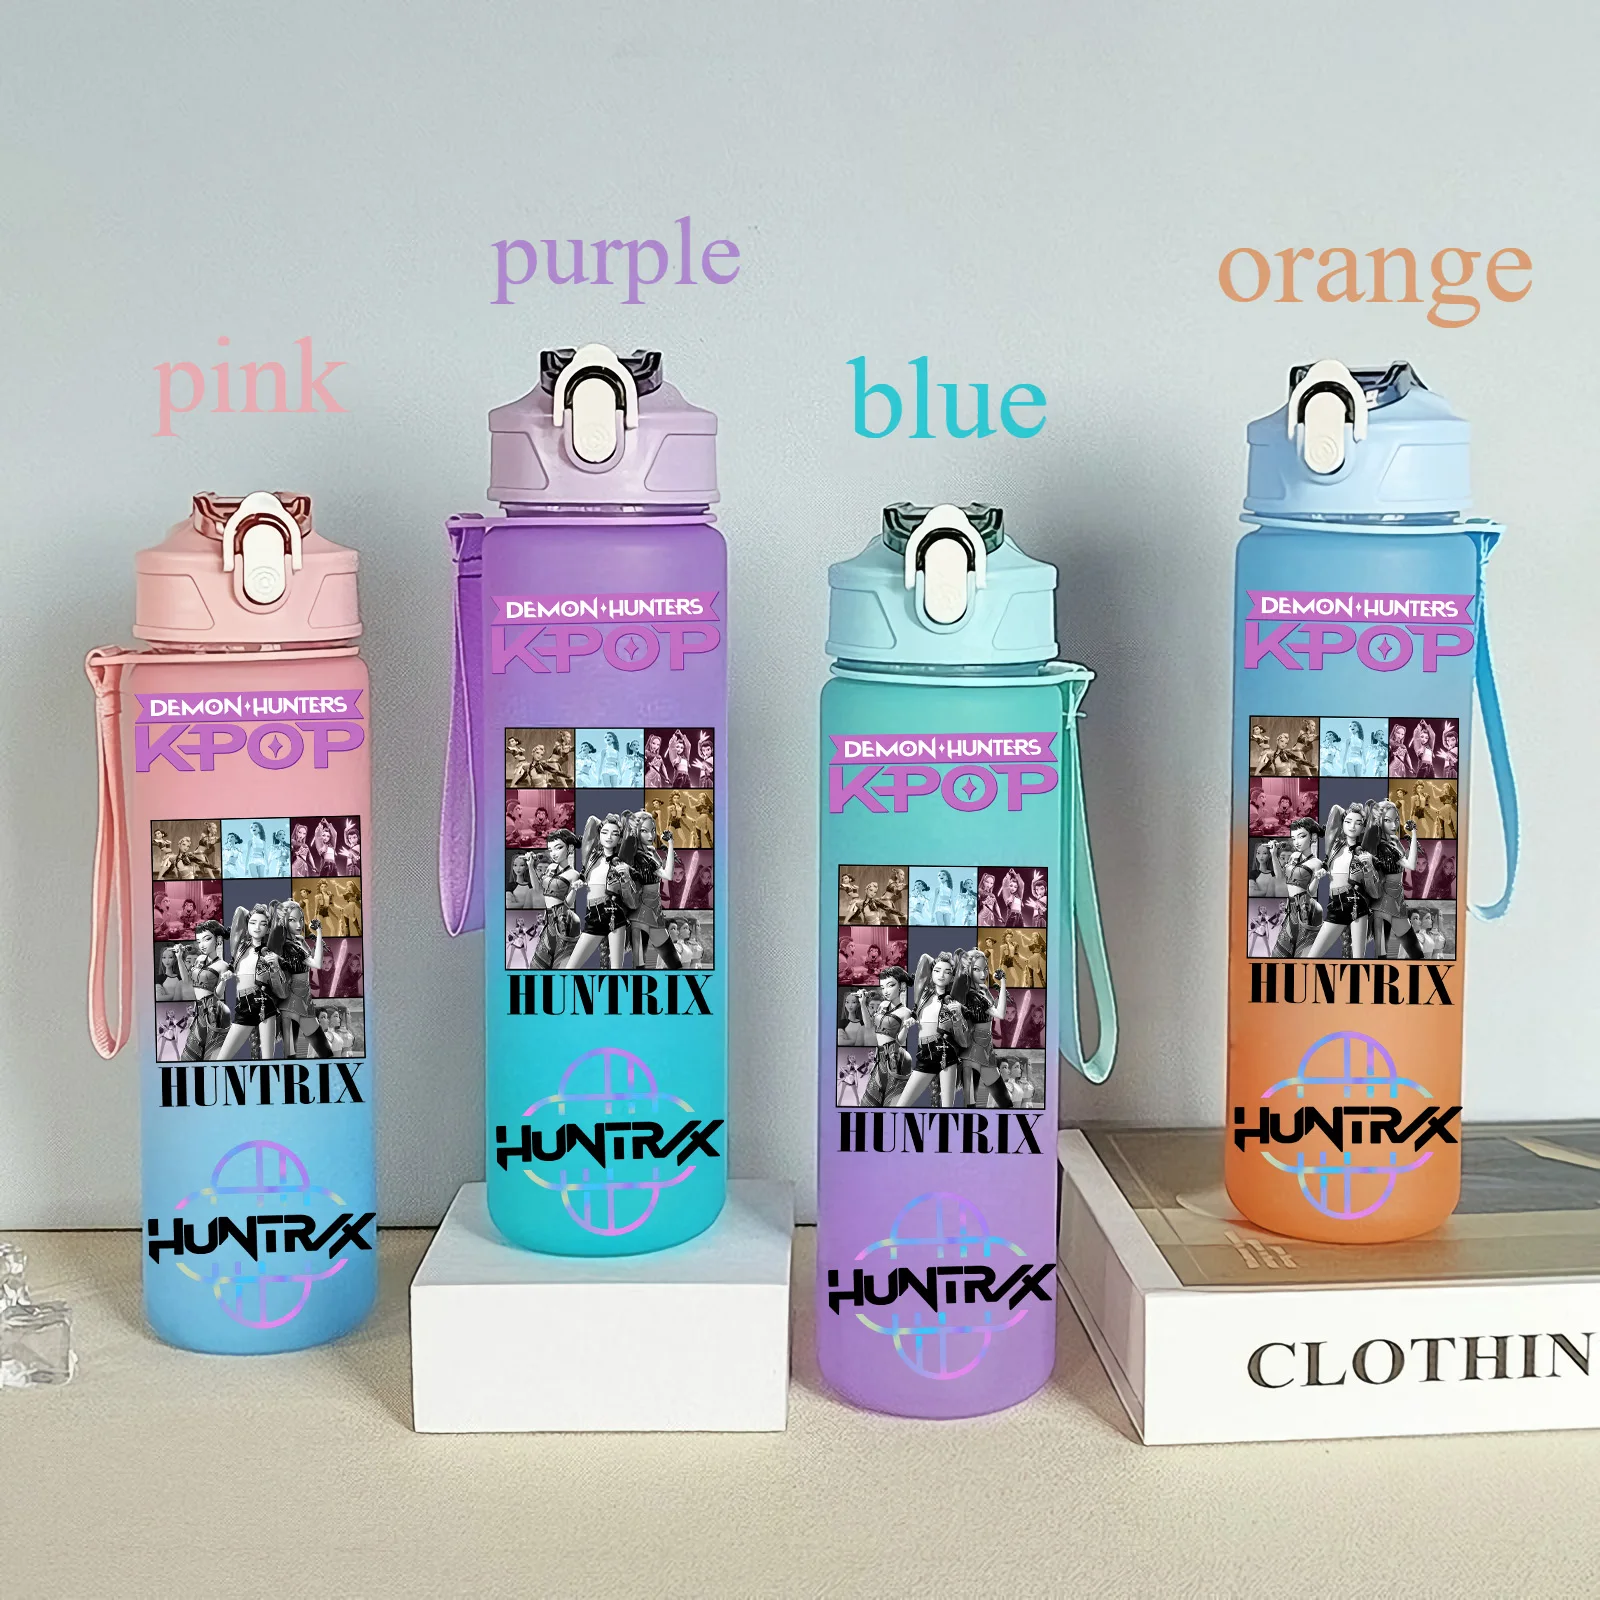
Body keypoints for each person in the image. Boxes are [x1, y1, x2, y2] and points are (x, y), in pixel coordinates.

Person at [896, 953, 970, 1109]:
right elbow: (924, 958)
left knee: (947, 1109)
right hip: (924, 1052)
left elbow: (964, 1040)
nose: (941, 975)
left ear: (952, 977)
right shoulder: (923, 995)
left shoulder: (954, 1001)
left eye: (947, 972)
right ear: (931, 973)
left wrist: (958, 1015)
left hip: (945, 1052)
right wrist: (911, 1020)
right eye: (937, 970)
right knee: (900, 1106)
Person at [566, 814, 640, 970]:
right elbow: (592, 820)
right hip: (593, 915)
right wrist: (580, 882)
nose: (609, 837)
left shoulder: (622, 862)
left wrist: (626, 876)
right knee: (570, 968)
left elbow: (633, 900)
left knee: (616, 969)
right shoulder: (591, 858)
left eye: (615, 834)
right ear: (599, 835)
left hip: (613, 913)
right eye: (605, 832)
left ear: (620, 839)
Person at [1306, 802, 1378, 960]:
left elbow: (1374, 889)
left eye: (1358, 823)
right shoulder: (1334, 846)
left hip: (1356, 903)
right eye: (1348, 821)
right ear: (1342, 824)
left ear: (1363, 828)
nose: (1352, 826)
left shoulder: (1364, 852)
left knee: (1357, 959)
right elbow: (1336, 810)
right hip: (1335, 903)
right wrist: (1323, 870)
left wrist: (1369, 866)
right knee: (1311, 958)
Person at [218, 903, 286, 1060]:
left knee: (267, 1059)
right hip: (243, 1005)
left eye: (263, 924)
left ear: (268, 929)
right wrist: (229, 973)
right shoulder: (240, 948)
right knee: (221, 1059)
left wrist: (275, 965)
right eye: (253, 922)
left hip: (263, 1003)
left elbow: (281, 984)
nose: (257, 927)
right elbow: (234, 965)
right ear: (247, 925)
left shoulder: (269, 952)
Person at [1363, 801, 1420, 957]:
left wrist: (1414, 834)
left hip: (1397, 901)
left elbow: (1411, 864)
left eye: (1396, 820)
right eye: (1388, 820)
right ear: (1379, 821)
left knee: (1416, 954)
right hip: (1382, 904)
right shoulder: (1379, 846)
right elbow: (1410, 865)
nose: (1394, 825)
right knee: (1382, 956)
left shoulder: (1394, 841)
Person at [626, 811, 681, 969]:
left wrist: (671, 844)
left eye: (652, 830)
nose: (650, 835)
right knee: (639, 967)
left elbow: (668, 875)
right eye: (644, 830)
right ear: (635, 830)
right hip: (640, 912)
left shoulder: (651, 851)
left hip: (655, 910)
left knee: (675, 965)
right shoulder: (632, 855)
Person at [959, 947, 1009, 1108]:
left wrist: (1002, 984)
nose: (983, 974)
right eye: (976, 969)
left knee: (1004, 1103)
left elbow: (999, 1012)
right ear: (968, 970)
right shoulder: (970, 995)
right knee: (971, 1105)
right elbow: (1000, 1014)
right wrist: (1003, 983)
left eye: (985, 969)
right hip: (972, 1053)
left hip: (985, 1050)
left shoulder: (982, 991)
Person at [275, 899, 325, 1057]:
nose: (298, 924)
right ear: (284, 921)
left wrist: (313, 938)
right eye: (292, 920)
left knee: (322, 1051)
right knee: (291, 1055)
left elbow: (313, 961)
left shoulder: (298, 942)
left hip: (303, 1001)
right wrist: (319, 934)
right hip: (291, 1004)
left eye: (301, 919)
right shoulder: (287, 946)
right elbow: (317, 964)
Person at [1269, 819, 1326, 957]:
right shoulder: (1293, 856)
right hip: (1291, 908)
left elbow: (1311, 892)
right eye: (1294, 838)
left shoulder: (1316, 863)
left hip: (1306, 910)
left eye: (1301, 836)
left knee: (1302, 956)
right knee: (1278, 955)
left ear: (1313, 837)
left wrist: (1317, 878)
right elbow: (1280, 877)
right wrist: (1273, 854)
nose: (1297, 842)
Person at [860, 967, 914, 1106]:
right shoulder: (883, 1005)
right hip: (880, 1058)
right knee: (867, 1104)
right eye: (883, 987)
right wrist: (862, 1003)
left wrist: (906, 1027)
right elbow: (869, 1025)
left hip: (895, 1059)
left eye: (890, 985)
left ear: (902, 986)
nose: (885, 991)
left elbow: (900, 1041)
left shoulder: (905, 1012)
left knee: (891, 1105)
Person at [180, 920, 233, 1061]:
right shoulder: (199, 960)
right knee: (188, 1058)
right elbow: (186, 981)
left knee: (212, 1058)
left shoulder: (222, 965)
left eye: (207, 939)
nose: (202, 945)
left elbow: (219, 994)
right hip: (199, 1012)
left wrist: (223, 980)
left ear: (218, 939)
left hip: (214, 1012)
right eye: (199, 941)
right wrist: (179, 958)